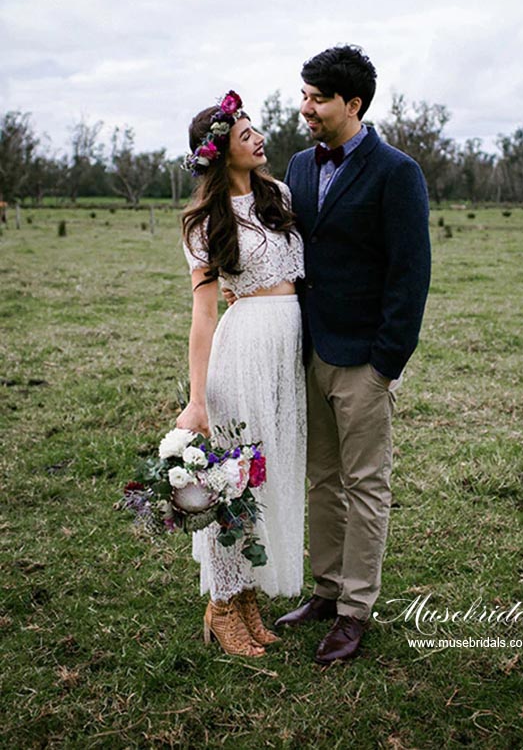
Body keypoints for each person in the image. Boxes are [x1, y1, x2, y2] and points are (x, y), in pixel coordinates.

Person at [275, 45, 431, 664]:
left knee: (367, 484)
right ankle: (326, 589)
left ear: (353, 104)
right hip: (310, 352)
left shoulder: (398, 172)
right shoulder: (296, 165)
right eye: (304, 95)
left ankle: (355, 610)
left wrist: (386, 362)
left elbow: (410, 273)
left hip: (366, 359)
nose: (305, 107)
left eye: (317, 98)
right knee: (322, 480)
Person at [176, 90, 306, 658]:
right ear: (219, 152)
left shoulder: (278, 195)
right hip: (243, 348)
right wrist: (198, 399)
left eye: (254, 128)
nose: (256, 136)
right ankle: (222, 603)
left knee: (268, 472)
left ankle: (248, 594)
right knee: (236, 479)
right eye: (242, 132)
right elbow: (205, 314)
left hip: (288, 350)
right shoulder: (205, 223)